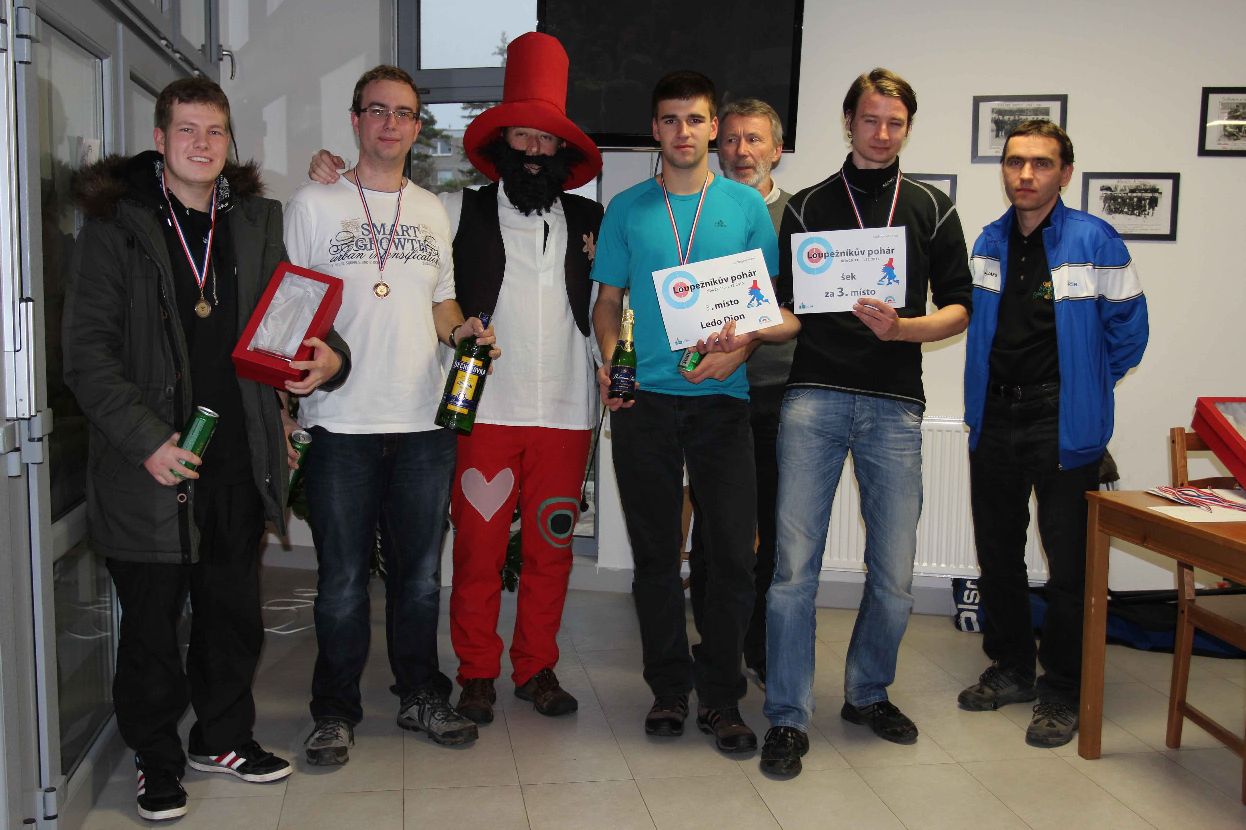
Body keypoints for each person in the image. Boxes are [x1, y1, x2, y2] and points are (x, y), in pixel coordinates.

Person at [63, 77, 348, 821]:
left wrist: (329, 355)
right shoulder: (115, 230)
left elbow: (293, 314)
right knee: (153, 630)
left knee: (231, 615)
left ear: (229, 142)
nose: (202, 143)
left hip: (234, 458)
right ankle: (156, 761)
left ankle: (222, 738)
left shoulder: (254, 222)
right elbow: (87, 358)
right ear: (160, 140)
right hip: (151, 464)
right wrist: (148, 441)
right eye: (186, 130)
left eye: (215, 130)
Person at [307, 32, 603, 725]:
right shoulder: (453, 209)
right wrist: (331, 174)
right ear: (503, 144)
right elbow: (387, 218)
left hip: (567, 413)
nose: (534, 150)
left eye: (546, 139)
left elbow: (613, 305)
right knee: (475, 551)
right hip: (482, 410)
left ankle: (537, 667)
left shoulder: (592, 218)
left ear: (562, 150)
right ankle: (475, 671)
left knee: (552, 549)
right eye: (522, 136)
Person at [762, 68, 973, 777]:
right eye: (871, 119)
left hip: (894, 404)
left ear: (907, 127)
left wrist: (905, 329)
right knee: (794, 569)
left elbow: (960, 306)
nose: (882, 133)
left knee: (894, 570)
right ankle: (787, 714)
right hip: (813, 397)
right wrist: (741, 327)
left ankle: (867, 692)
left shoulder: (932, 207)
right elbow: (786, 307)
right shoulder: (808, 205)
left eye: (895, 122)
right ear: (848, 121)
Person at [285, 64, 495, 765]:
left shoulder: (432, 210)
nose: (391, 124)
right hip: (339, 422)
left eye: (404, 113)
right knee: (342, 582)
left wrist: (463, 332)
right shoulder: (314, 203)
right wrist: (288, 409)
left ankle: (420, 696)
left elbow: (441, 302)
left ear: (416, 127)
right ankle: (334, 712)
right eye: (377, 110)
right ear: (355, 120)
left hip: (423, 423)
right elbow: (290, 311)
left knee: (419, 578)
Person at [591, 71, 799, 755]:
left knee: (733, 557)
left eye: (695, 119)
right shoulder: (626, 208)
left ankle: (721, 697)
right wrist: (612, 359)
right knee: (655, 556)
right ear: (655, 129)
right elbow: (606, 302)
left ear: (714, 127)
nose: (683, 132)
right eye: (670, 119)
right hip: (644, 401)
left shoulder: (744, 206)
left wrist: (740, 350)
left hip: (721, 402)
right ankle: (668, 689)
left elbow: (766, 309)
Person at [958, 120, 1147, 748]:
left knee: (1070, 567)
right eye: (1015, 162)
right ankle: (1012, 667)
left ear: (1064, 173)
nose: (1025, 174)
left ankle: (1062, 688)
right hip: (995, 416)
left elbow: (1129, 331)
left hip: (1061, 420)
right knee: (998, 555)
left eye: (1041, 163)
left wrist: (1087, 385)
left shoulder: (1095, 240)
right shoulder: (988, 241)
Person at [686, 97, 793, 684]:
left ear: (777, 149)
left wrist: (748, 340)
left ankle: (762, 645)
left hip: (778, 394)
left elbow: (801, 306)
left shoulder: (797, 218)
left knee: (774, 528)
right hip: (714, 396)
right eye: (729, 139)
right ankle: (714, 644)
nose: (741, 151)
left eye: (754, 139)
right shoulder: (696, 211)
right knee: (714, 530)